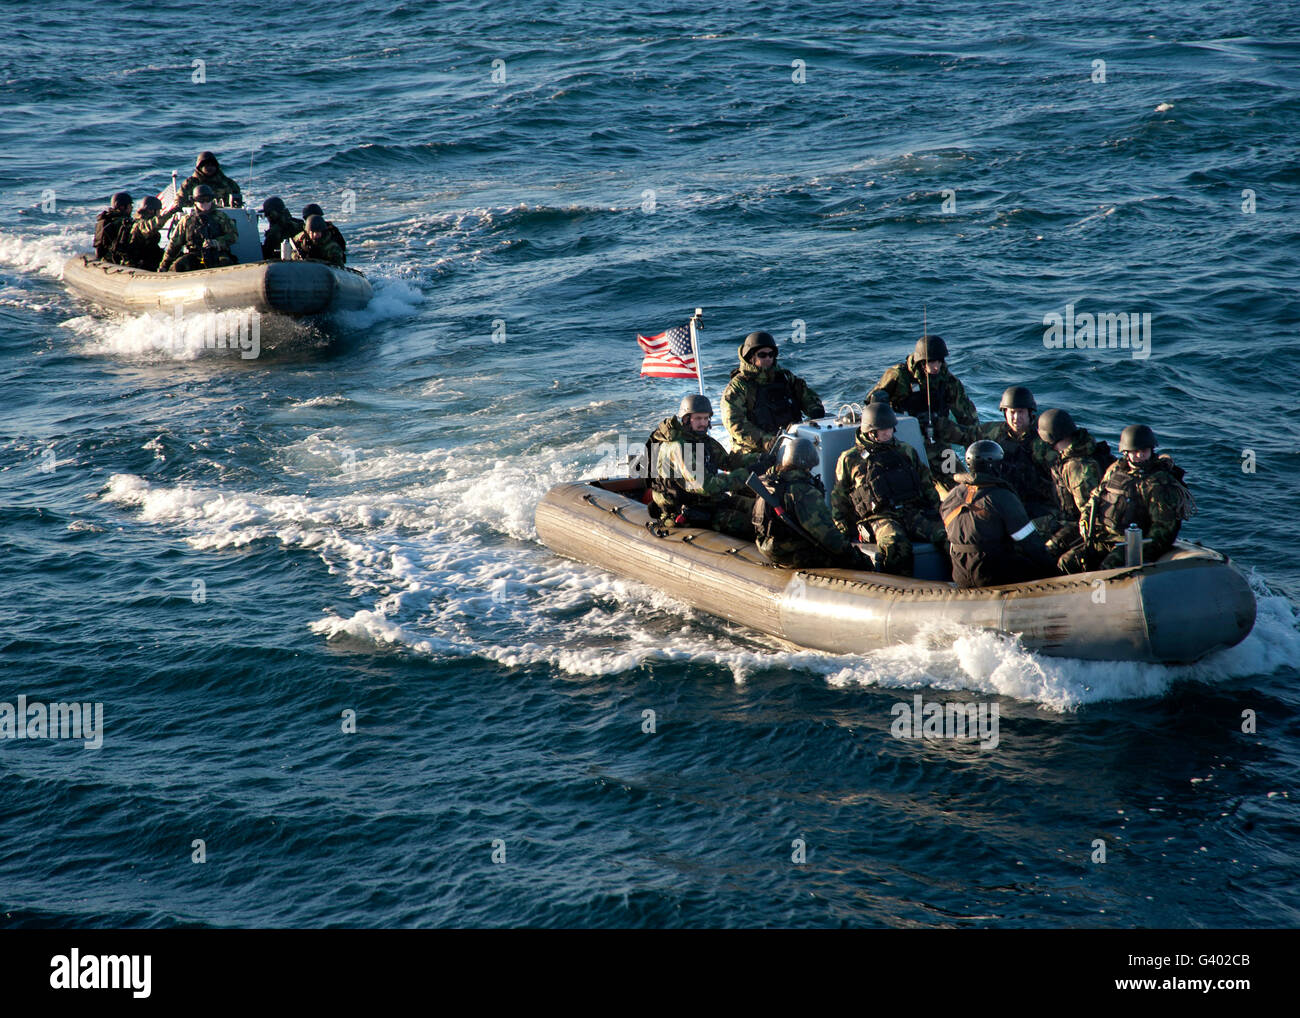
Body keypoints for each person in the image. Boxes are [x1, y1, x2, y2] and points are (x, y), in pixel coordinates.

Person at [831, 402, 948, 576]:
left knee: (946, 535)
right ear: (870, 431)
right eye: (883, 429)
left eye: (890, 428)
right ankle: (900, 591)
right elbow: (839, 499)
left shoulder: (905, 451)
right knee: (896, 544)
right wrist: (843, 533)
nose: (888, 432)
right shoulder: (850, 459)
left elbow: (926, 484)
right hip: (879, 517)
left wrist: (940, 512)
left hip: (912, 511)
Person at [1061, 425, 1195, 572]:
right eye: (1135, 451)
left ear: (1151, 450)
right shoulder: (1116, 470)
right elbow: (1096, 496)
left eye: (1144, 451)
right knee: (1067, 562)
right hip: (1105, 537)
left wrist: (1142, 548)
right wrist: (1086, 519)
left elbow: (1163, 530)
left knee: (1108, 568)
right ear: (1126, 452)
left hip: (1132, 544)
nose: (1139, 455)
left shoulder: (1158, 483)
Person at [940, 441, 1056, 588]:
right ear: (994, 466)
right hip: (992, 577)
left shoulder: (952, 496)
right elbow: (1031, 544)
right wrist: (1055, 572)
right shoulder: (1003, 497)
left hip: (961, 576)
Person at [646, 393, 756, 539]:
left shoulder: (702, 440)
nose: (703, 423)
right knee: (753, 525)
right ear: (686, 419)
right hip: (688, 510)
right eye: (698, 418)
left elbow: (728, 461)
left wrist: (759, 461)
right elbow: (705, 485)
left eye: (706, 418)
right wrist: (744, 475)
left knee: (760, 510)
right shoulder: (679, 446)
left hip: (708, 502)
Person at [868, 334, 977, 479]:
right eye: (931, 362)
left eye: (939, 361)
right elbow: (872, 407)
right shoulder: (899, 376)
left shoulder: (948, 382)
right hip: (904, 441)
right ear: (921, 361)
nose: (936, 366)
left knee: (959, 482)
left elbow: (966, 415)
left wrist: (976, 446)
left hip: (938, 441)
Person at [753, 437, 869, 569]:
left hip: (767, 545)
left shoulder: (772, 482)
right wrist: (854, 557)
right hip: (790, 552)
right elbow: (826, 533)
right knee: (839, 559)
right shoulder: (804, 492)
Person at [721, 330, 824, 456]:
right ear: (751, 357)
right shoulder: (739, 387)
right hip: (754, 451)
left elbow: (804, 393)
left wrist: (815, 408)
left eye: (771, 354)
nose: (768, 358)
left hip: (790, 442)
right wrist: (766, 441)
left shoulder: (784, 377)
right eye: (762, 355)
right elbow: (735, 423)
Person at [964, 385, 1058, 523]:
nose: (1016, 418)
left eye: (1020, 412)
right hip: (1004, 500)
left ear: (1030, 413)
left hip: (1037, 506)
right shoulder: (994, 432)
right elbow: (964, 435)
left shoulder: (1042, 441)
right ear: (1005, 413)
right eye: (1012, 412)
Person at [1036, 408, 1114, 567]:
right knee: (1030, 528)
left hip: (1081, 526)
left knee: (1045, 553)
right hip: (1067, 519)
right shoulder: (1078, 453)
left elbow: (1087, 514)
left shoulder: (1076, 467)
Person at [158, 184, 239, 272]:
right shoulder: (187, 220)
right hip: (195, 255)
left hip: (217, 253)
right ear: (195, 201)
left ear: (212, 200)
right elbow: (174, 245)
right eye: (201, 200)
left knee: (226, 264)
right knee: (178, 266)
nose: (205, 203)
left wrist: (217, 242)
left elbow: (233, 236)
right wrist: (164, 265)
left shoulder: (221, 217)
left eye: (208, 199)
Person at [121, 195, 178, 271]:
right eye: (158, 211)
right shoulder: (141, 223)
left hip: (146, 257)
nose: (159, 213)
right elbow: (155, 224)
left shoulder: (140, 220)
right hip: (139, 263)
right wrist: (171, 212)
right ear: (151, 211)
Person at [176, 151, 242, 208]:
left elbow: (238, 202)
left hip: (224, 217)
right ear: (200, 167)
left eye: (212, 165)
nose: (210, 168)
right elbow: (180, 202)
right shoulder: (189, 184)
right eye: (206, 166)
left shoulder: (228, 183)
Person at [93, 192, 133, 263]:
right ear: (122, 206)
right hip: (116, 259)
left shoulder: (104, 220)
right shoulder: (122, 222)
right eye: (130, 205)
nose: (132, 208)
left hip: (104, 257)